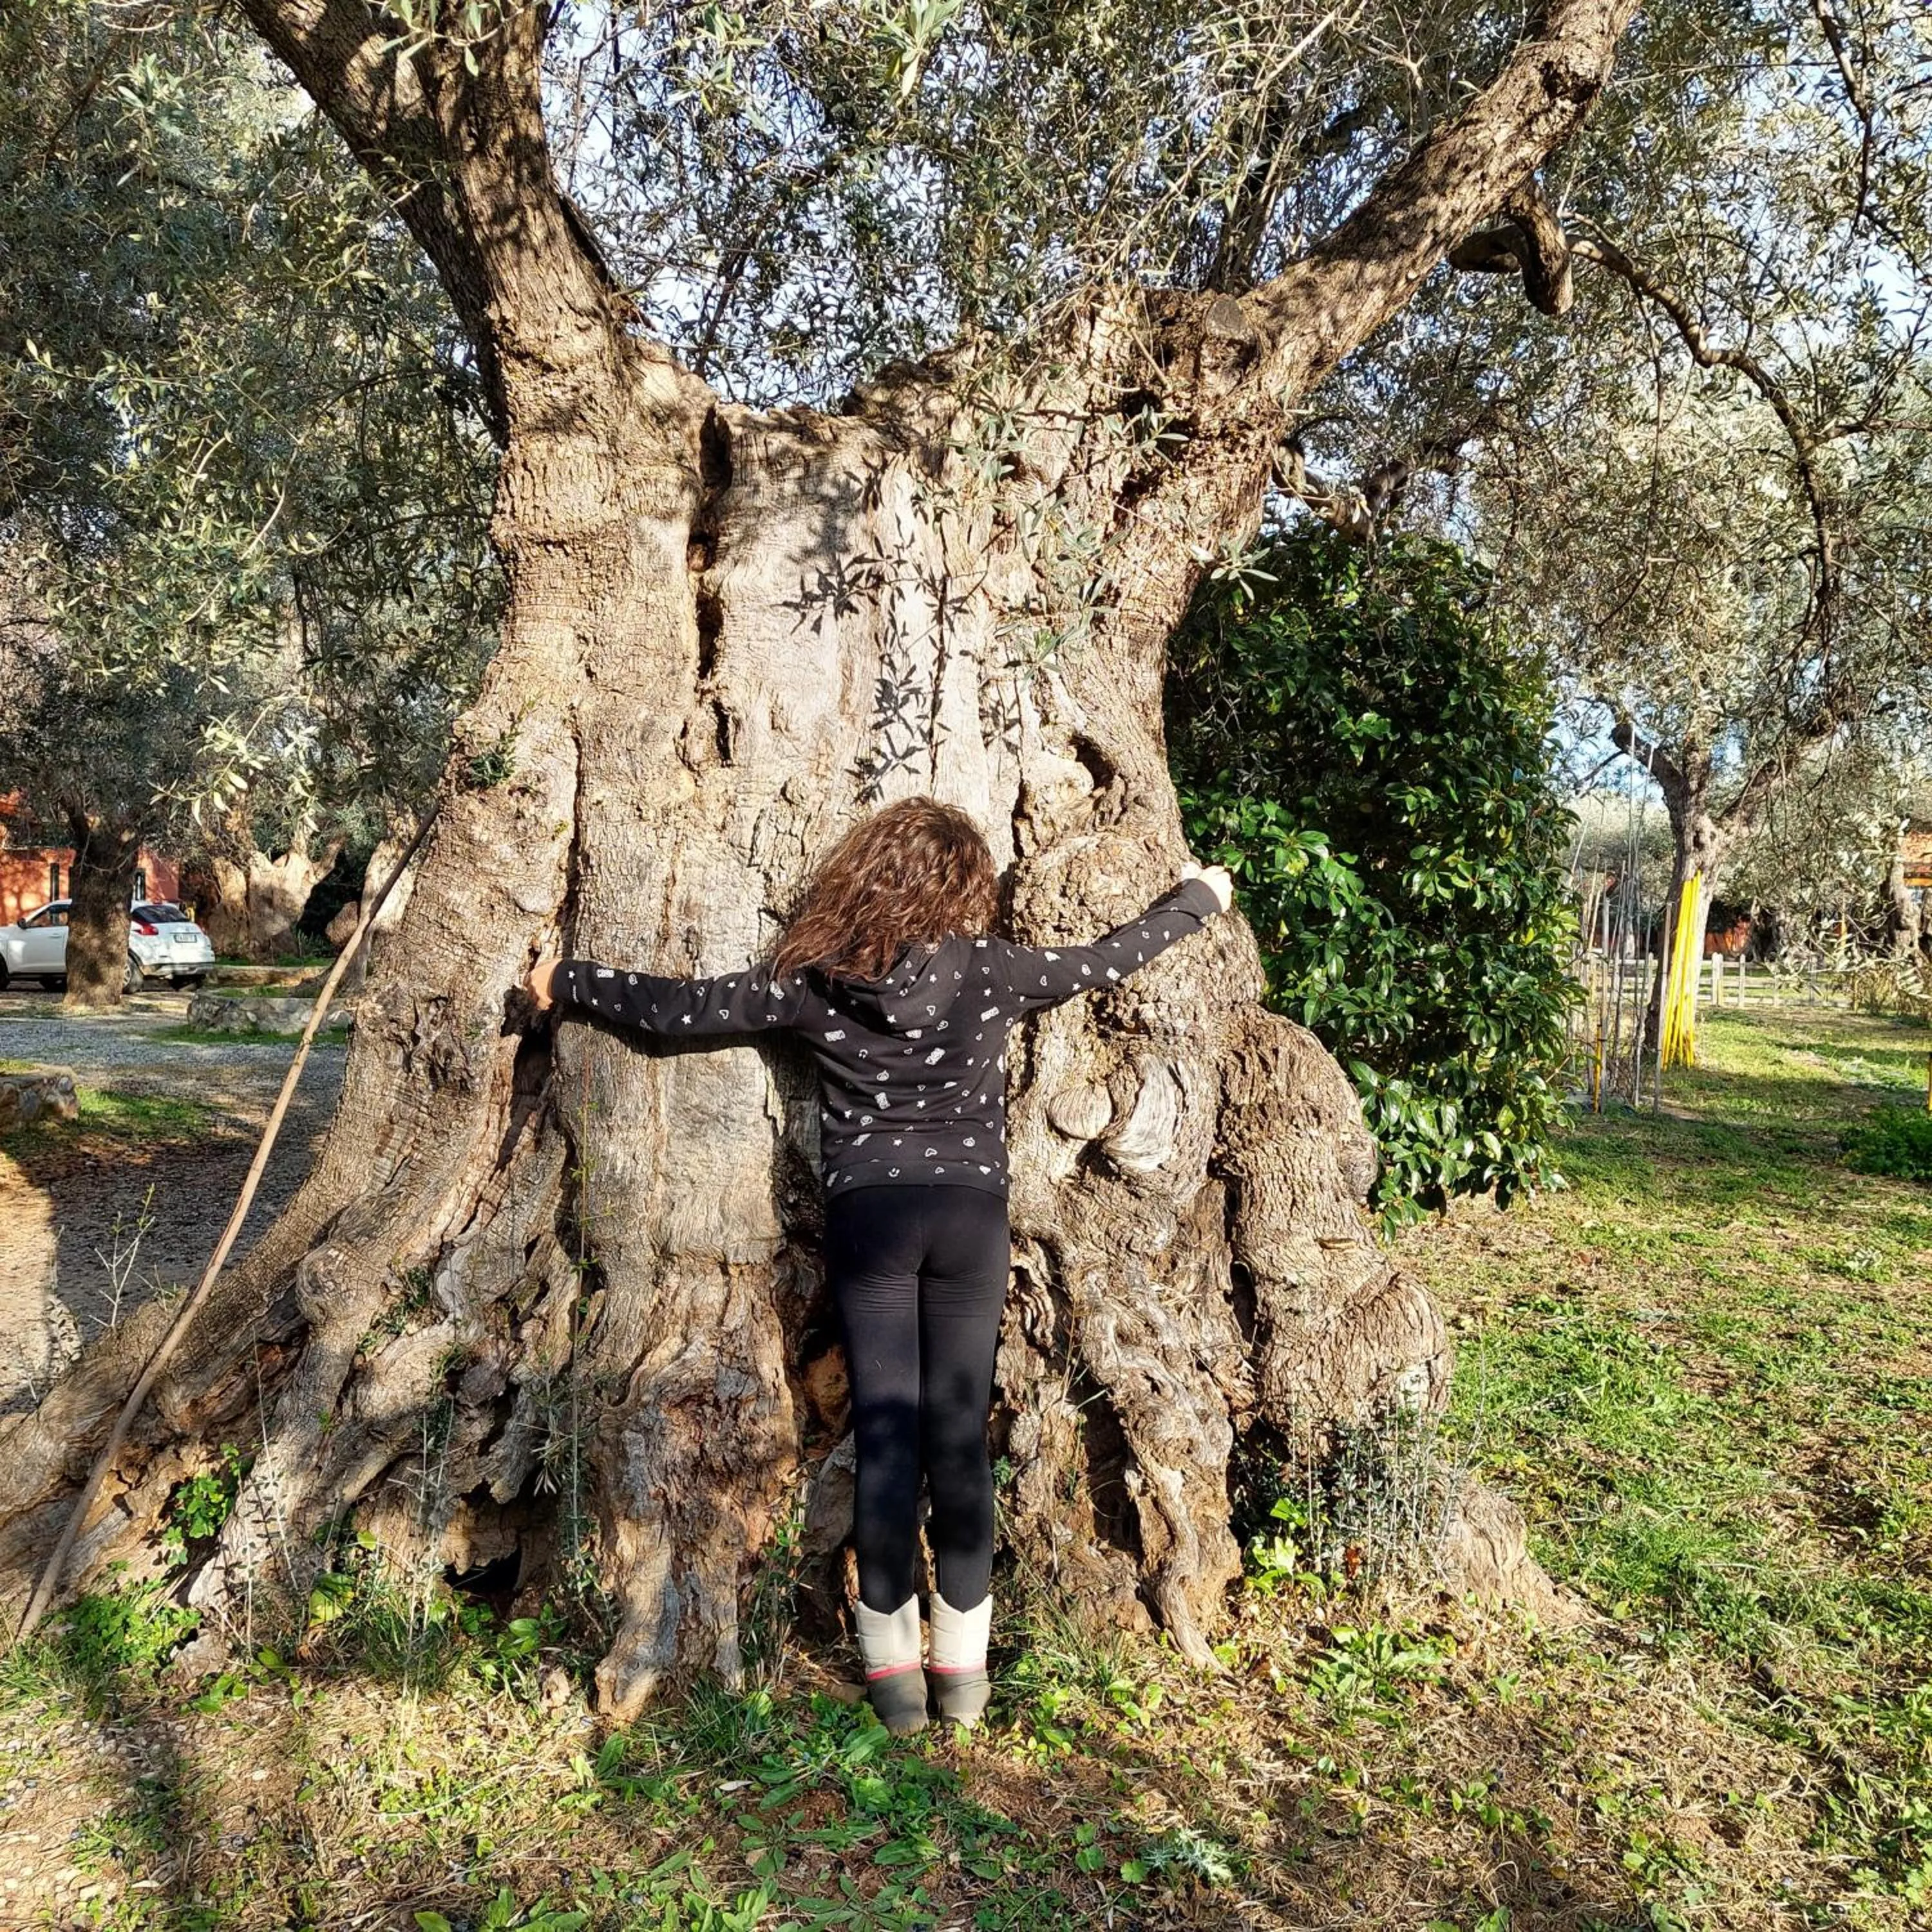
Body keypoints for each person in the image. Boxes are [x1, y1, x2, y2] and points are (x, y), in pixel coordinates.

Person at [527, 797, 1233, 1734]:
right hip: (969, 1221)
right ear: (961, 888)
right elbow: (1102, 960)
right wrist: (1196, 900)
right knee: (955, 1439)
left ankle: (895, 1684)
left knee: (889, 1446)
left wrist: (567, 979)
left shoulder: (816, 978)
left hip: (873, 1220)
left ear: (864, 877)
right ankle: (966, 1682)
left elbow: (679, 1013)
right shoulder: (991, 969)